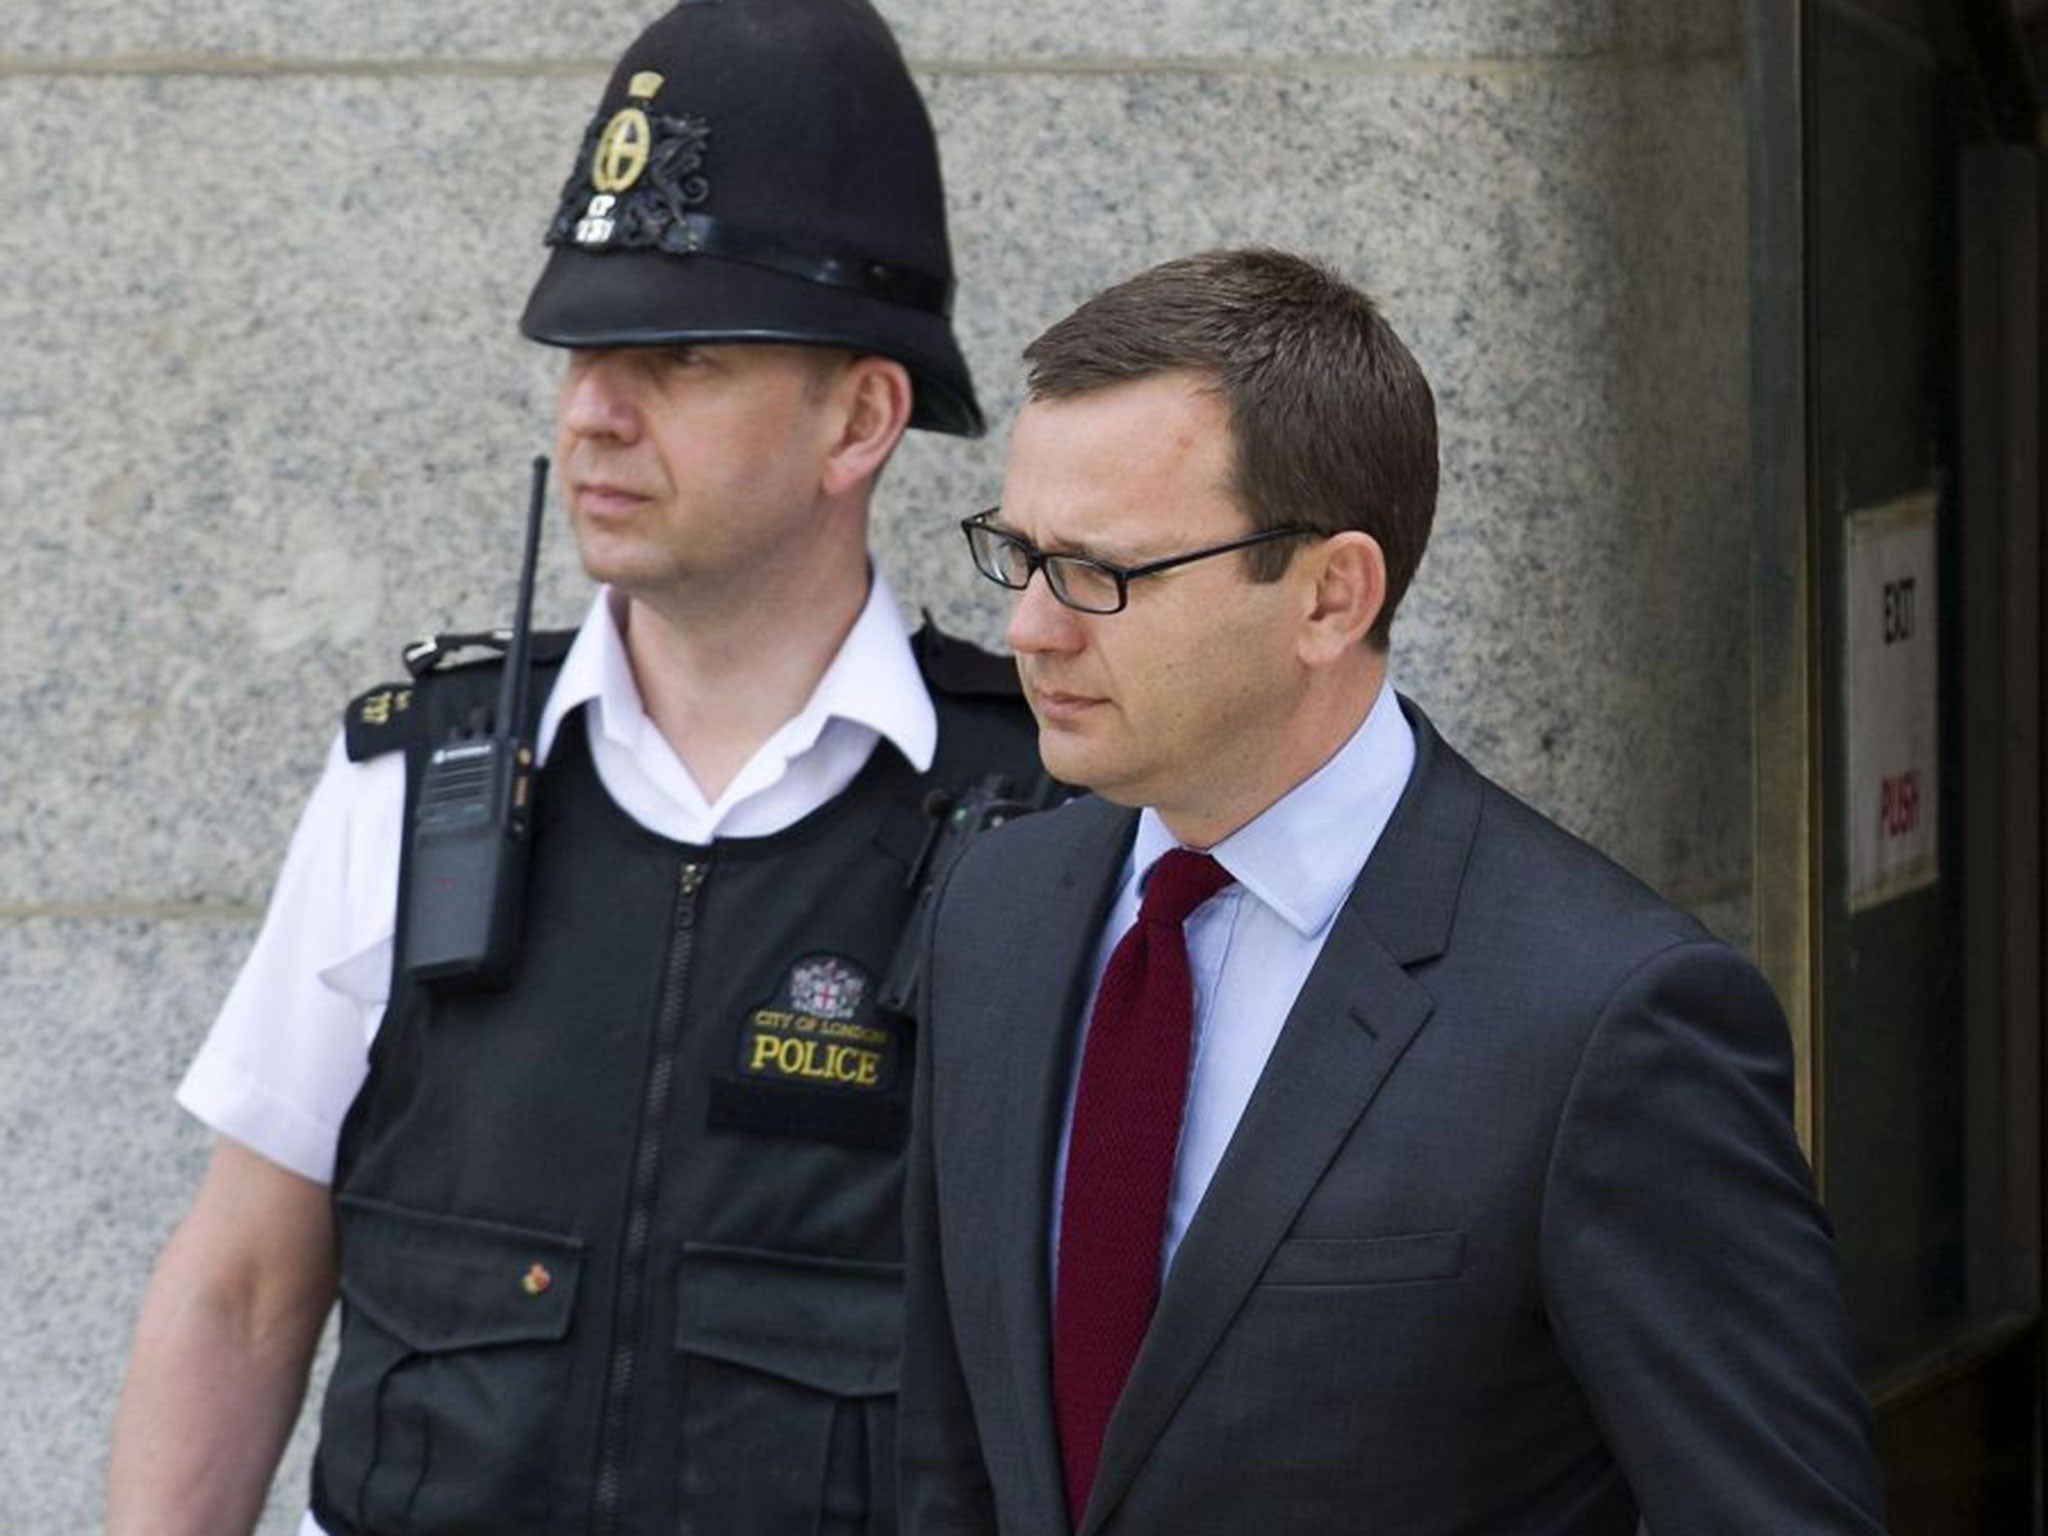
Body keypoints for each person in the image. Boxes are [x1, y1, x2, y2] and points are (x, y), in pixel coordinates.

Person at [106, 4, 1043, 1534]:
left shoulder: (1039, 819)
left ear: (860, 417)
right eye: (583, 351)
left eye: (680, 356)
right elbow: (243, 1284)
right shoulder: (415, 784)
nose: (596, 410)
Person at [897, 248, 1888, 1536]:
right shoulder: (996, 911)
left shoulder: (1607, 1019)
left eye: (1101, 573)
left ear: (1329, 594)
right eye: (1019, 555)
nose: (1032, 626)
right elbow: (950, 1469)